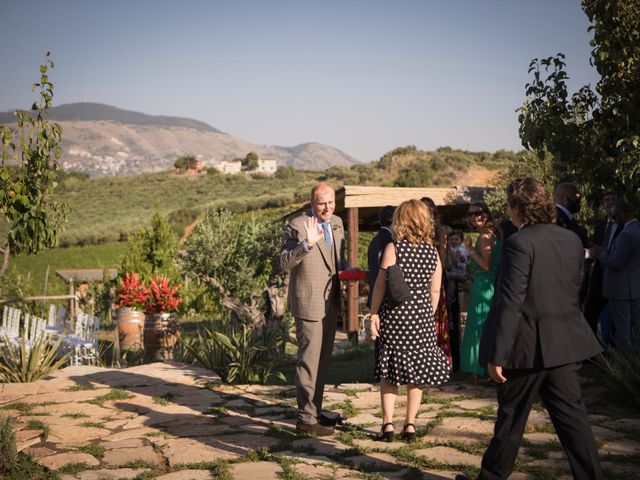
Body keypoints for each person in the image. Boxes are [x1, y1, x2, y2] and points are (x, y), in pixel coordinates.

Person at [456, 178, 604, 480]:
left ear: (518, 208)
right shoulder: (573, 241)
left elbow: (511, 302)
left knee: (510, 421)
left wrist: (497, 354)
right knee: (574, 423)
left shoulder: (518, 243)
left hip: (525, 349)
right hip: (564, 343)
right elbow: (573, 289)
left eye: (510, 206)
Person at [369, 199, 451, 442]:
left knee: (390, 372)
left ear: (401, 219)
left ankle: (387, 425)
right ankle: (410, 425)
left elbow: (381, 285)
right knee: (417, 375)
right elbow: (435, 291)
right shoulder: (432, 252)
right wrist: (427, 313)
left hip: (395, 316)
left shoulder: (393, 248)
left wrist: (373, 313)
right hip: (422, 318)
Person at [280, 182, 347, 436]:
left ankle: (315, 411)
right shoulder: (296, 225)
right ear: (312, 204)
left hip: (331, 301)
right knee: (308, 362)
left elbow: (335, 260)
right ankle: (305, 421)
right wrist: (305, 245)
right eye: (322, 203)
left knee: (322, 361)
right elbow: (284, 262)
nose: (328, 207)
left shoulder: (338, 222)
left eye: (331, 202)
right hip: (308, 302)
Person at [459, 202, 502, 383]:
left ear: (486, 214)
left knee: (479, 324)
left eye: (477, 212)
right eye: (470, 214)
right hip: (489, 282)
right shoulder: (493, 232)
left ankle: (477, 369)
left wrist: (469, 250)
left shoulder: (485, 234)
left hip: (485, 283)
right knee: (487, 325)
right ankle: (487, 368)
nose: (473, 216)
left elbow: (485, 264)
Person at [592, 200, 640, 352]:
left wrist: (598, 254)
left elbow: (616, 262)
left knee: (623, 330)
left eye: (615, 216)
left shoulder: (627, 234)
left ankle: (626, 365)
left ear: (622, 214)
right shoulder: (637, 229)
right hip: (635, 287)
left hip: (621, 289)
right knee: (636, 329)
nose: (613, 220)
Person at [584, 190, 620, 337]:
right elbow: (595, 249)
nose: (610, 202)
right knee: (590, 313)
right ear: (604, 205)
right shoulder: (600, 226)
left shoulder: (625, 224)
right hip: (599, 276)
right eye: (606, 200)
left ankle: (618, 354)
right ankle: (592, 352)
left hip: (619, 277)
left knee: (618, 318)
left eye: (613, 199)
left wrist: (602, 250)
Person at [421, 197, 452, 363]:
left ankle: (438, 359)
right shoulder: (417, 229)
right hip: (420, 281)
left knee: (437, 319)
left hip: (436, 279)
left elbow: (443, 258)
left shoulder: (439, 231)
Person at [367, 205, 395, 309]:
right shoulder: (389, 242)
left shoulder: (375, 240)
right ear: (393, 219)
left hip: (374, 295)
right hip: (384, 298)